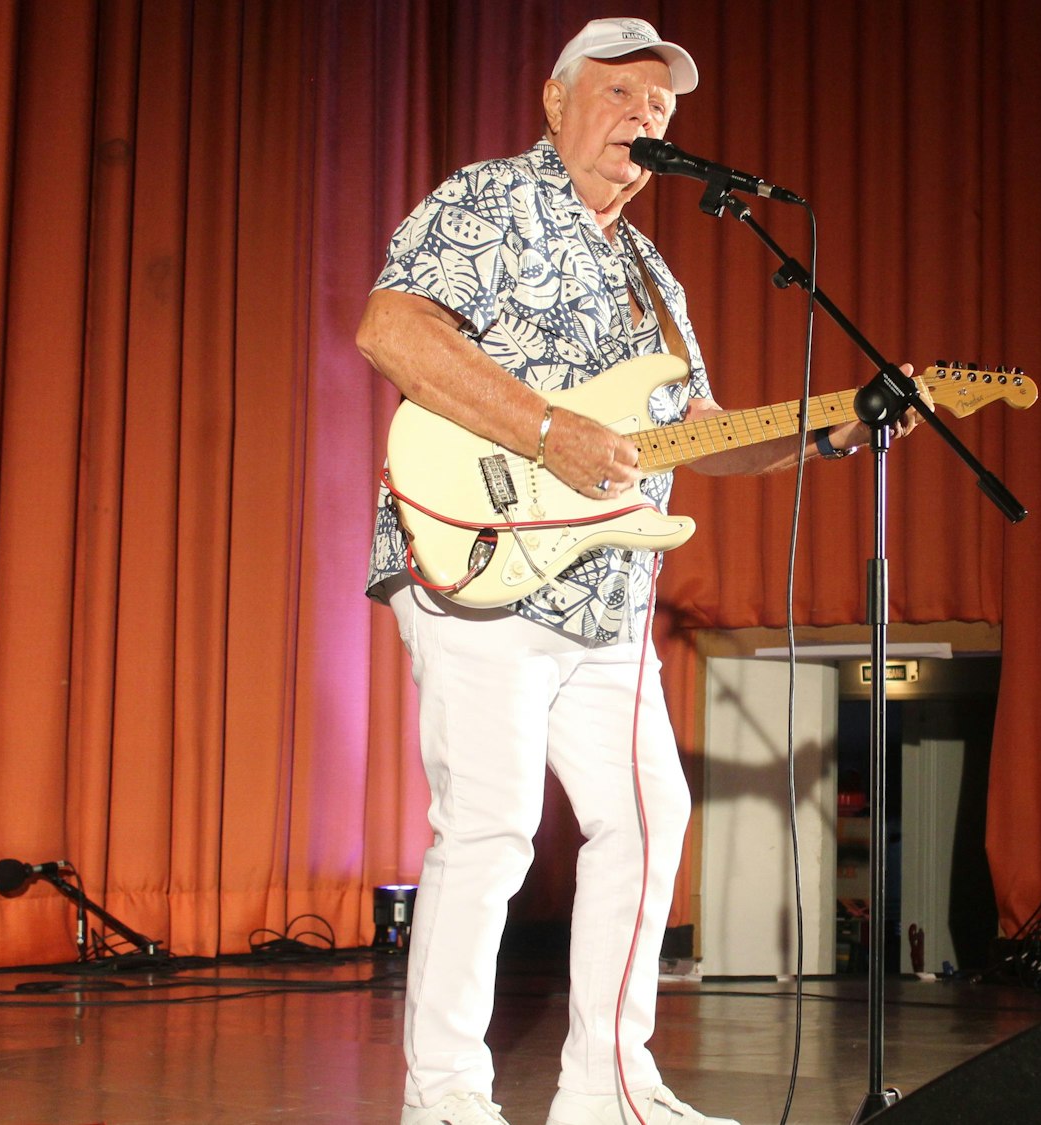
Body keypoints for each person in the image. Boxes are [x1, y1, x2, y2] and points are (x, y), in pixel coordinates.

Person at [355, 18, 922, 1125]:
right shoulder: (490, 201)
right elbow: (393, 329)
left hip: (606, 591)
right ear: (553, 102)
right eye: (617, 94)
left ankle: (609, 1090)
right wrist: (545, 428)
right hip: (481, 557)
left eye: (660, 107)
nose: (643, 118)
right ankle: (445, 1100)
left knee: (650, 820)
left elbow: (697, 432)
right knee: (490, 828)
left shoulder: (649, 270)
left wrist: (834, 427)